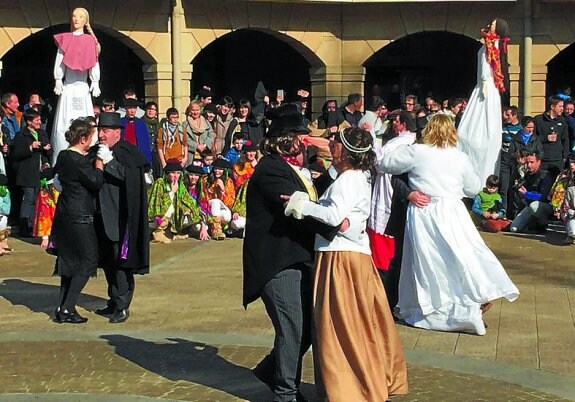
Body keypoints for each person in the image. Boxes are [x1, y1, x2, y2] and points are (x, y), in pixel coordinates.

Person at [284, 127, 408, 402]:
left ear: (346, 152)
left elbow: (333, 216)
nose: (330, 146)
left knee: (341, 325)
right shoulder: (354, 177)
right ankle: (362, 381)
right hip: (349, 254)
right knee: (359, 322)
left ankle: (351, 387)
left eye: (335, 144)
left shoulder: (348, 179)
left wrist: (300, 204)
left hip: (341, 259)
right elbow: (344, 220)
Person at [380, 114, 519, 335]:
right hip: (453, 210)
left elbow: (386, 163)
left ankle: (432, 306)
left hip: (425, 210)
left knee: (428, 261)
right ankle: (474, 295)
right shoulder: (460, 157)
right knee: (461, 254)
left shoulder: (418, 151)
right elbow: (473, 188)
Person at [243, 104, 340, 402]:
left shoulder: (290, 168)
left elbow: (311, 195)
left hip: (298, 258)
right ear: (288, 139)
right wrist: (337, 227)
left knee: (307, 328)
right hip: (277, 262)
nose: (306, 142)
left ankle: (271, 371)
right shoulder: (271, 169)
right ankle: (285, 394)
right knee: (292, 328)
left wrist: (338, 165)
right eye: (301, 136)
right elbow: (298, 208)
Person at [93, 112, 150, 324]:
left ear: (117, 132)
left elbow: (132, 181)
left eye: (105, 131)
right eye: (99, 130)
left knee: (120, 263)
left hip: (120, 217)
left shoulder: (128, 152)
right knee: (107, 262)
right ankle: (113, 300)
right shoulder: (97, 151)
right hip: (100, 215)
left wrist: (111, 163)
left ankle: (123, 305)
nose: (101, 135)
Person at [51, 119, 103, 324]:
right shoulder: (79, 161)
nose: (92, 140)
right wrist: (99, 164)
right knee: (88, 261)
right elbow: (96, 182)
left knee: (69, 261)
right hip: (80, 215)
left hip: (64, 214)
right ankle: (67, 307)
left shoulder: (64, 155)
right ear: (83, 138)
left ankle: (61, 306)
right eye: (90, 137)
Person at [458, 18, 510, 185]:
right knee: (468, 133)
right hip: (483, 87)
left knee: (484, 132)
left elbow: (489, 67)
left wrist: (486, 81)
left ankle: (484, 178)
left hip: (487, 88)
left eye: (493, 24)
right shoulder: (487, 44)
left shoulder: (491, 45)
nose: (490, 25)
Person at [51, 7, 101, 164]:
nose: (76, 19)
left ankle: (88, 157)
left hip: (83, 88)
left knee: (87, 122)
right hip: (69, 87)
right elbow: (60, 61)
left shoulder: (90, 41)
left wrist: (95, 81)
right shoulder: (65, 39)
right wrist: (58, 79)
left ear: (85, 20)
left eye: (80, 16)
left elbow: (94, 62)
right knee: (63, 124)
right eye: (73, 16)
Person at [12, 109, 52, 237]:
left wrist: (47, 149)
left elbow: (48, 151)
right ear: (29, 122)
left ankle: (34, 226)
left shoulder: (42, 133)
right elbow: (16, 154)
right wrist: (30, 147)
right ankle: (24, 227)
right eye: (37, 120)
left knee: (38, 199)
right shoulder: (20, 135)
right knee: (28, 199)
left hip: (40, 172)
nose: (40, 123)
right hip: (27, 173)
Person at [148, 162, 205, 243]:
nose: (176, 176)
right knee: (170, 208)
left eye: (178, 173)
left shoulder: (180, 185)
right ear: (167, 174)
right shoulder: (160, 183)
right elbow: (157, 204)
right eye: (173, 173)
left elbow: (189, 201)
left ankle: (168, 231)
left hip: (171, 218)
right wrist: (172, 192)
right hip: (154, 219)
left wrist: (187, 209)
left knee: (192, 216)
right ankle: (158, 232)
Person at [509, 152, 553, 233]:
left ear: (539, 162)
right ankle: (531, 223)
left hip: (544, 205)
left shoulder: (545, 175)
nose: (529, 165)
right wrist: (520, 191)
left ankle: (543, 224)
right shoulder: (528, 175)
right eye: (527, 162)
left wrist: (527, 194)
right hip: (529, 205)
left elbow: (543, 197)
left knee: (534, 206)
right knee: (514, 228)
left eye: (532, 162)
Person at [120, 98, 152, 165]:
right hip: (124, 156)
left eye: (134, 108)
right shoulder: (120, 122)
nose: (132, 111)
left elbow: (146, 144)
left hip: (137, 156)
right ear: (126, 108)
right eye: (130, 108)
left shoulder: (141, 123)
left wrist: (148, 162)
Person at [0, 173, 11, 257]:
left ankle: (3, 246)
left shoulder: (4, 190)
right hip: (2, 215)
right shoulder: (3, 191)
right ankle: (1, 248)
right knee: (1, 234)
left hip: (3, 216)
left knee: (3, 234)